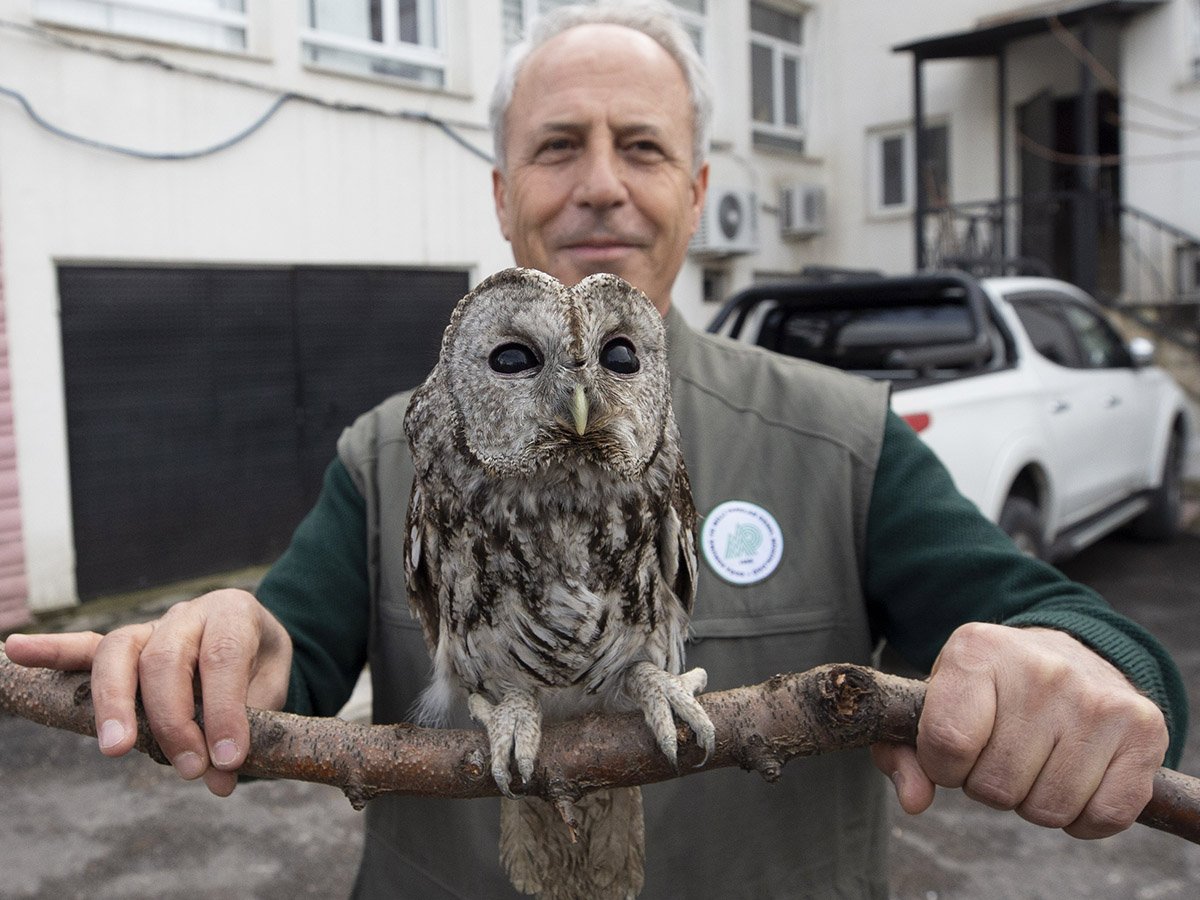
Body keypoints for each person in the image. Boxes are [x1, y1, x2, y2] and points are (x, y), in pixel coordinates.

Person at [6, 3, 1186, 897]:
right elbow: (288, 656)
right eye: (560, 146)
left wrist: (1077, 672)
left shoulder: (840, 434)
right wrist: (225, 645)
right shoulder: (386, 448)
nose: (602, 186)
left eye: (644, 147)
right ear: (503, 190)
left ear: (699, 186)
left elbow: (1057, 622)